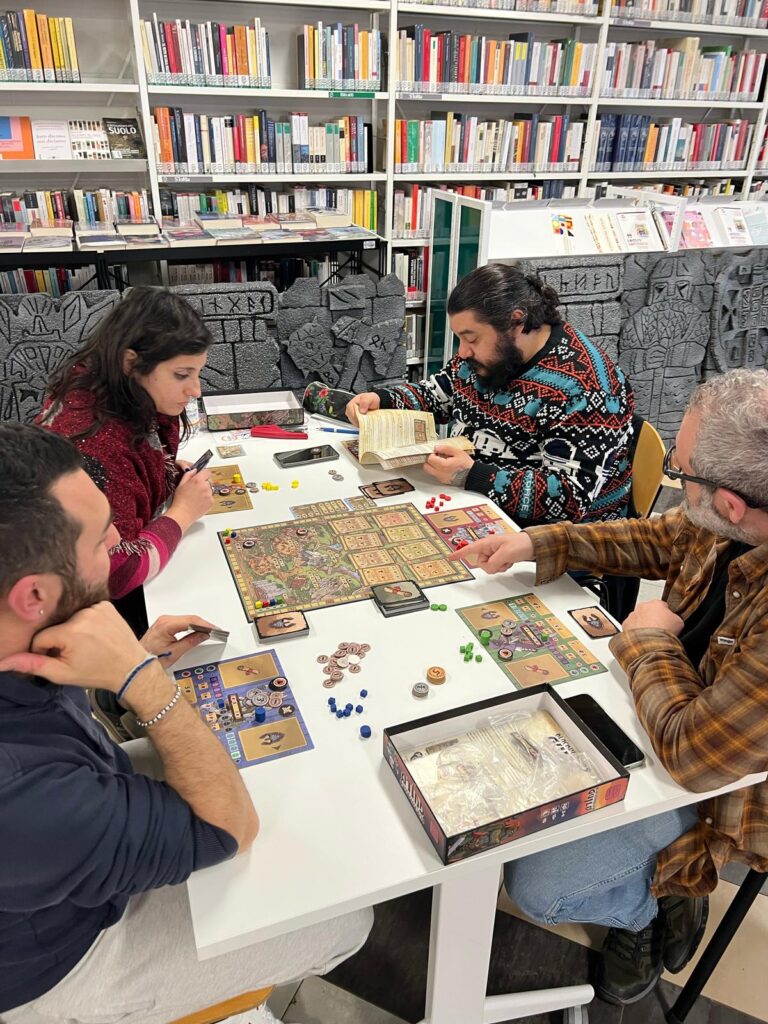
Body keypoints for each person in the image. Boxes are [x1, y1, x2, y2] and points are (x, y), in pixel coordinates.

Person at [0, 423, 373, 1024]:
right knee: (347, 919)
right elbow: (228, 829)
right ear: (34, 596)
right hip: (58, 965)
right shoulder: (20, 796)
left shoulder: (22, 635)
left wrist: (127, 667)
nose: (119, 540)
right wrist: (146, 685)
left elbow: (50, 731)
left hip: (57, 841)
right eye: (100, 538)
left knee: (267, 772)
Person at [451, 368, 768, 1006]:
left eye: (680, 475)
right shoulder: (735, 514)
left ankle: (655, 902)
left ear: (732, 505)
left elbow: (694, 760)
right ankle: (656, 883)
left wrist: (648, 641)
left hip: (723, 792)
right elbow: (658, 537)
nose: (675, 483)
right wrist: (538, 543)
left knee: (538, 886)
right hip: (655, 711)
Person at [346, 263, 634, 527]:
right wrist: (383, 400)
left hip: (554, 538)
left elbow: (569, 499)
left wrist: (473, 475)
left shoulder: (586, 388)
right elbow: (439, 394)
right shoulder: (490, 357)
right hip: (474, 500)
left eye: (471, 338)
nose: (462, 352)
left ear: (516, 322)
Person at [37, 286, 214, 605]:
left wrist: (161, 474)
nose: (196, 390)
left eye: (198, 373)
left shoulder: (118, 389)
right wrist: (183, 513)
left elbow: (133, 462)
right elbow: (115, 572)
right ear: (131, 363)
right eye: (182, 374)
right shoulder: (95, 442)